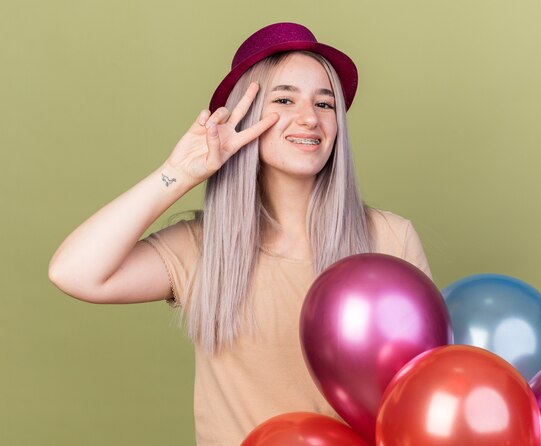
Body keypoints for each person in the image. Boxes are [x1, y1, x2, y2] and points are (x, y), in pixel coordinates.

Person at [48, 22, 432, 445]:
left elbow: (420, 394)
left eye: (325, 104)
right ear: (244, 116)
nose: (309, 118)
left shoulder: (390, 240)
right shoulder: (201, 247)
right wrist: (176, 175)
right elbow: (74, 272)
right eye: (284, 99)